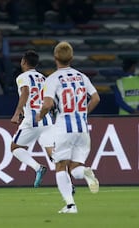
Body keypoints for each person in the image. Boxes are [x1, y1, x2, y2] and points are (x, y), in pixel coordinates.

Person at [35, 41, 100, 213]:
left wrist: (39, 115)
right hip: (82, 129)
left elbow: (47, 104)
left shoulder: (52, 79)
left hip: (64, 127)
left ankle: (71, 205)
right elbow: (95, 98)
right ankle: (86, 172)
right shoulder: (81, 76)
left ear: (55, 57)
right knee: (76, 168)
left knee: (60, 166)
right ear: (71, 57)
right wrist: (83, 113)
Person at [10, 50, 52, 188]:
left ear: (23, 62)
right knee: (53, 155)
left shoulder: (22, 77)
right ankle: (72, 176)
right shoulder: (44, 78)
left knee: (15, 147)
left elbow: (26, 92)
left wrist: (17, 112)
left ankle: (37, 167)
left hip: (32, 120)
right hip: (48, 120)